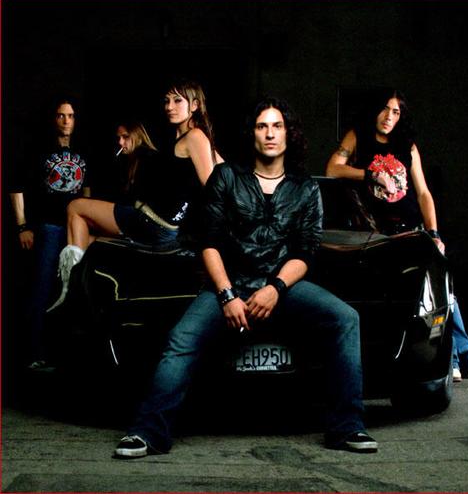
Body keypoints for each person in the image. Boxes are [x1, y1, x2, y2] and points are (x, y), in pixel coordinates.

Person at [113, 97, 378, 459]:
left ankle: (348, 427)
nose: (270, 134)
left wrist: (275, 289)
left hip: (282, 286)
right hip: (229, 283)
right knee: (181, 338)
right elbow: (208, 242)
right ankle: (148, 433)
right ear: (252, 134)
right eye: (262, 126)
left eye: (277, 126)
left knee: (346, 318)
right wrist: (226, 295)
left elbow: (304, 254)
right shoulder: (227, 177)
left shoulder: (305, 188)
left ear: (288, 134)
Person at [325, 88, 468, 383]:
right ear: (375, 110)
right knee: (415, 296)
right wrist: (369, 174)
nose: (389, 116)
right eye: (385, 109)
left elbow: (423, 193)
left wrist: (434, 233)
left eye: (396, 111)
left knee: (440, 289)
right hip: (379, 234)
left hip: (413, 229)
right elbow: (332, 169)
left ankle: (465, 358)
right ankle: (452, 359)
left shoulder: (407, 145)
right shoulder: (358, 137)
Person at [48, 79, 223, 311]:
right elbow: (224, 172)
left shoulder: (194, 136)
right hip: (159, 225)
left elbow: (214, 186)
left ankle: (71, 290)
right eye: (166, 101)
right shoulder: (192, 138)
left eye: (177, 100)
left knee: (75, 207)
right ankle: (81, 291)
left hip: (152, 223)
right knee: (89, 238)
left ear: (195, 105)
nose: (169, 106)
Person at [8, 96, 91, 370]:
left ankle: (65, 351)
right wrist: (22, 226)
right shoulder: (38, 149)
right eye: (61, 115)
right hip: (48, 227)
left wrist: (88, 225)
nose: (66, 121)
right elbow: (16, 186)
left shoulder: (83, 149)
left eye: (71, 116)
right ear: (53, 118)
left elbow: (87, 191)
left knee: (73, 289)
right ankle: (34, 353)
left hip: (75, 229)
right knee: (41, 288)